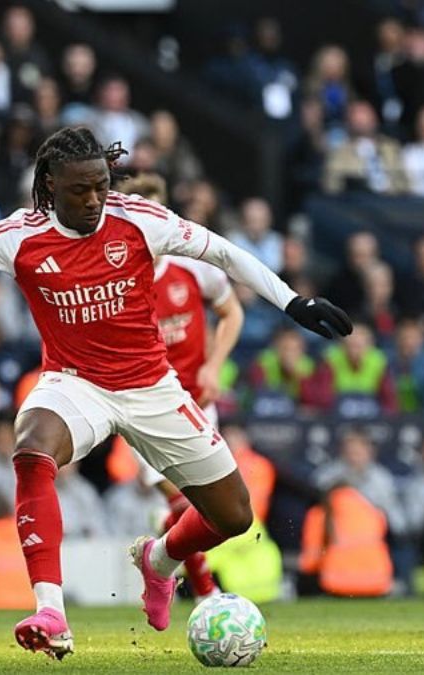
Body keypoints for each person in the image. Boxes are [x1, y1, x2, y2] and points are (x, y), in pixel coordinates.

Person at [0, 126, 351, 658]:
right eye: (80, 189)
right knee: (31, 448)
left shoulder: (139, 219)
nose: (94, 199)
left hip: (151, 387)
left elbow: (225, 254)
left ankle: (159, 560)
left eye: (101, 185)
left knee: (234, 516)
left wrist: (294, 302)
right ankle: (51, 612)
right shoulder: (17, 235)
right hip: (75, 383)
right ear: (49, 186)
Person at [118, 172, 245, 604]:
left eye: (158, 212)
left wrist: (214, 365)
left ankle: (164, 545)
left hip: (198, 402)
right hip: (145, 407)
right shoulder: (116, 278)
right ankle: (208, 594)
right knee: (184, 501)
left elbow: (232, 313)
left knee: (215, 508)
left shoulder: (192, 265)